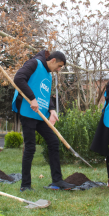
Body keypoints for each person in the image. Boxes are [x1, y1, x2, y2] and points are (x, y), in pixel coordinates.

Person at [12, 50, 75, 191]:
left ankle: (57, 181)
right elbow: (18, 78)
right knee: (30, 147)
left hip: (40, 114)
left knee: (53, 141)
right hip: (28, 111)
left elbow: (45, 95)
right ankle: (25, 185)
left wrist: (52, 110)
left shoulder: (48, 75)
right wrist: (32, 98)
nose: (59, 70)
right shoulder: (35, 63)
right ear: (52, 60)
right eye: (59, 66)